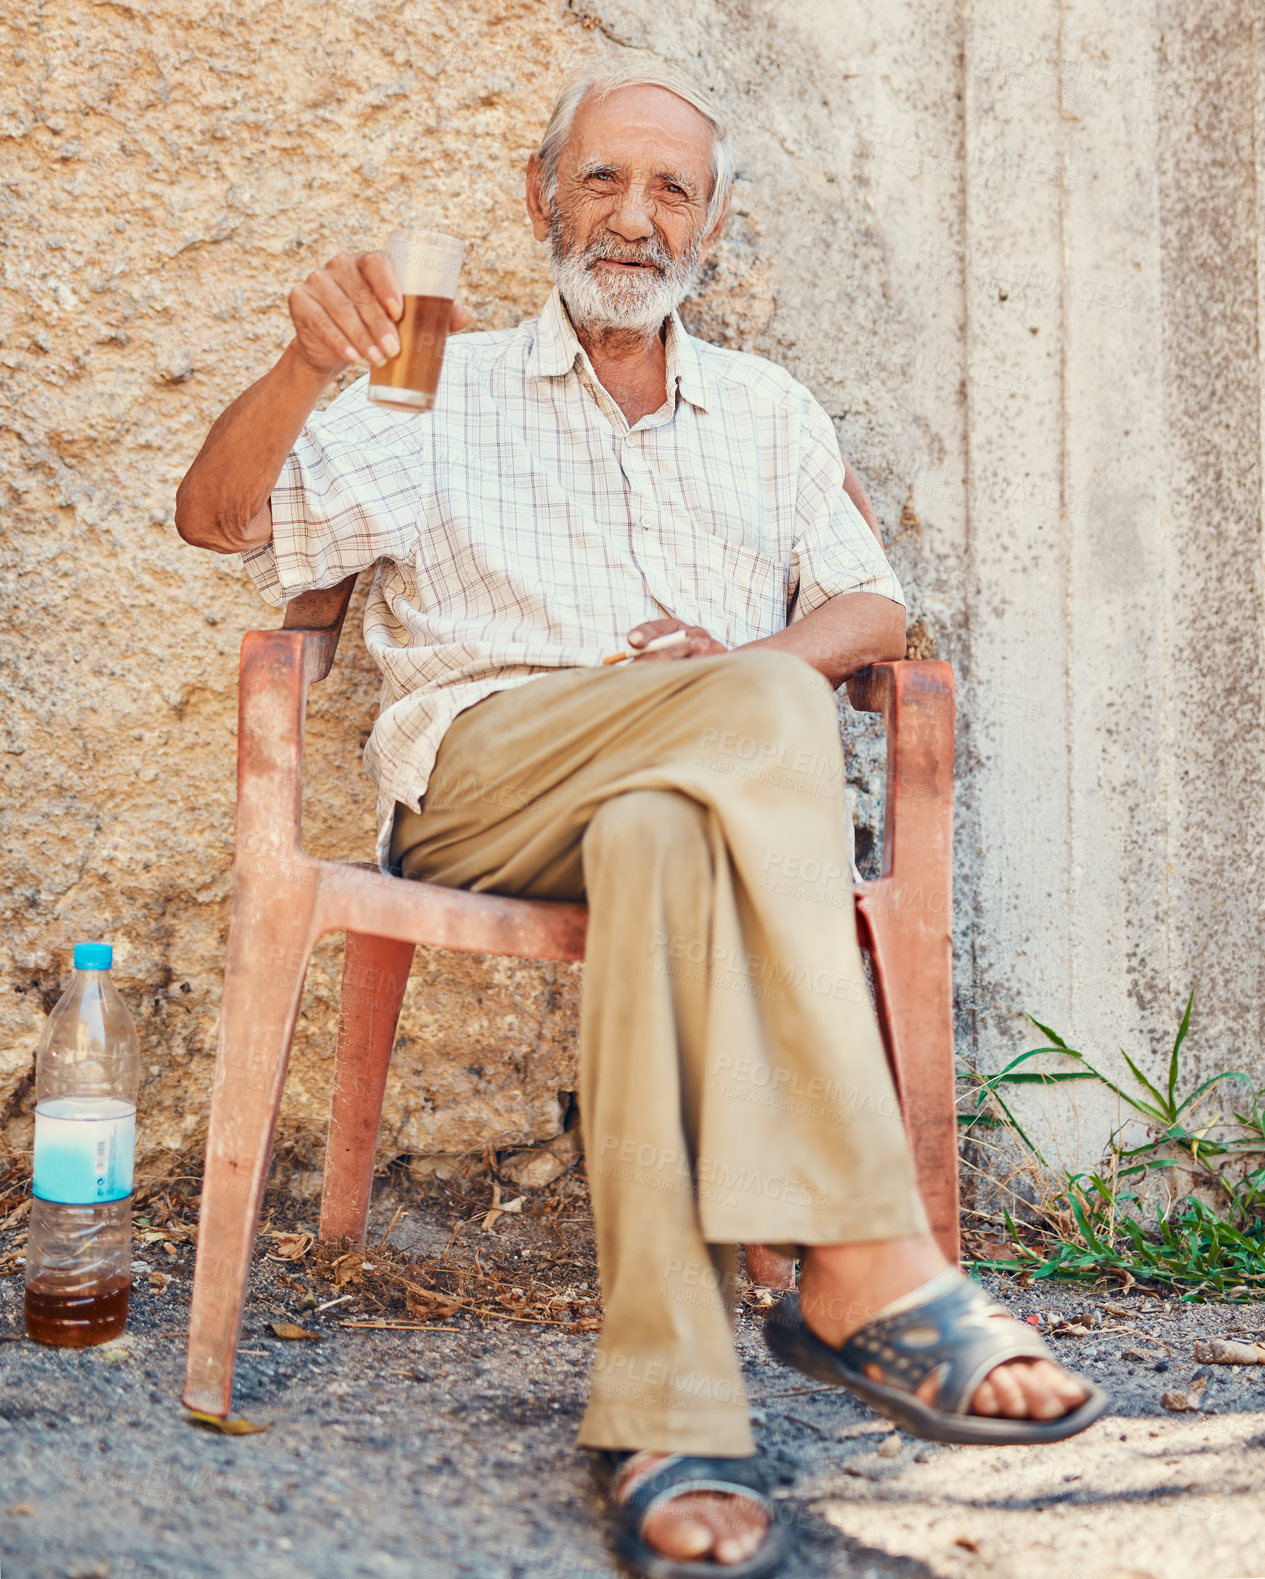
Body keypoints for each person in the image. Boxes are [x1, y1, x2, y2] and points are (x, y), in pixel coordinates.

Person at [176, 65, 1107, 1579]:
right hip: (487, 777)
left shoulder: (763, 409)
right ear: (540, 198)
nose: (633, 215)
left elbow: (869, 596)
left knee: (679, 818)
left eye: (671, 190)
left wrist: (745, 672)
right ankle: (864, 1260)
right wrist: (298, 363)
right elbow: (219, 521)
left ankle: (663, 1409)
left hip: (690, 798)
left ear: (713, 227)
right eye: (603, 181)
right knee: (764, 710)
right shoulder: (434, 379)